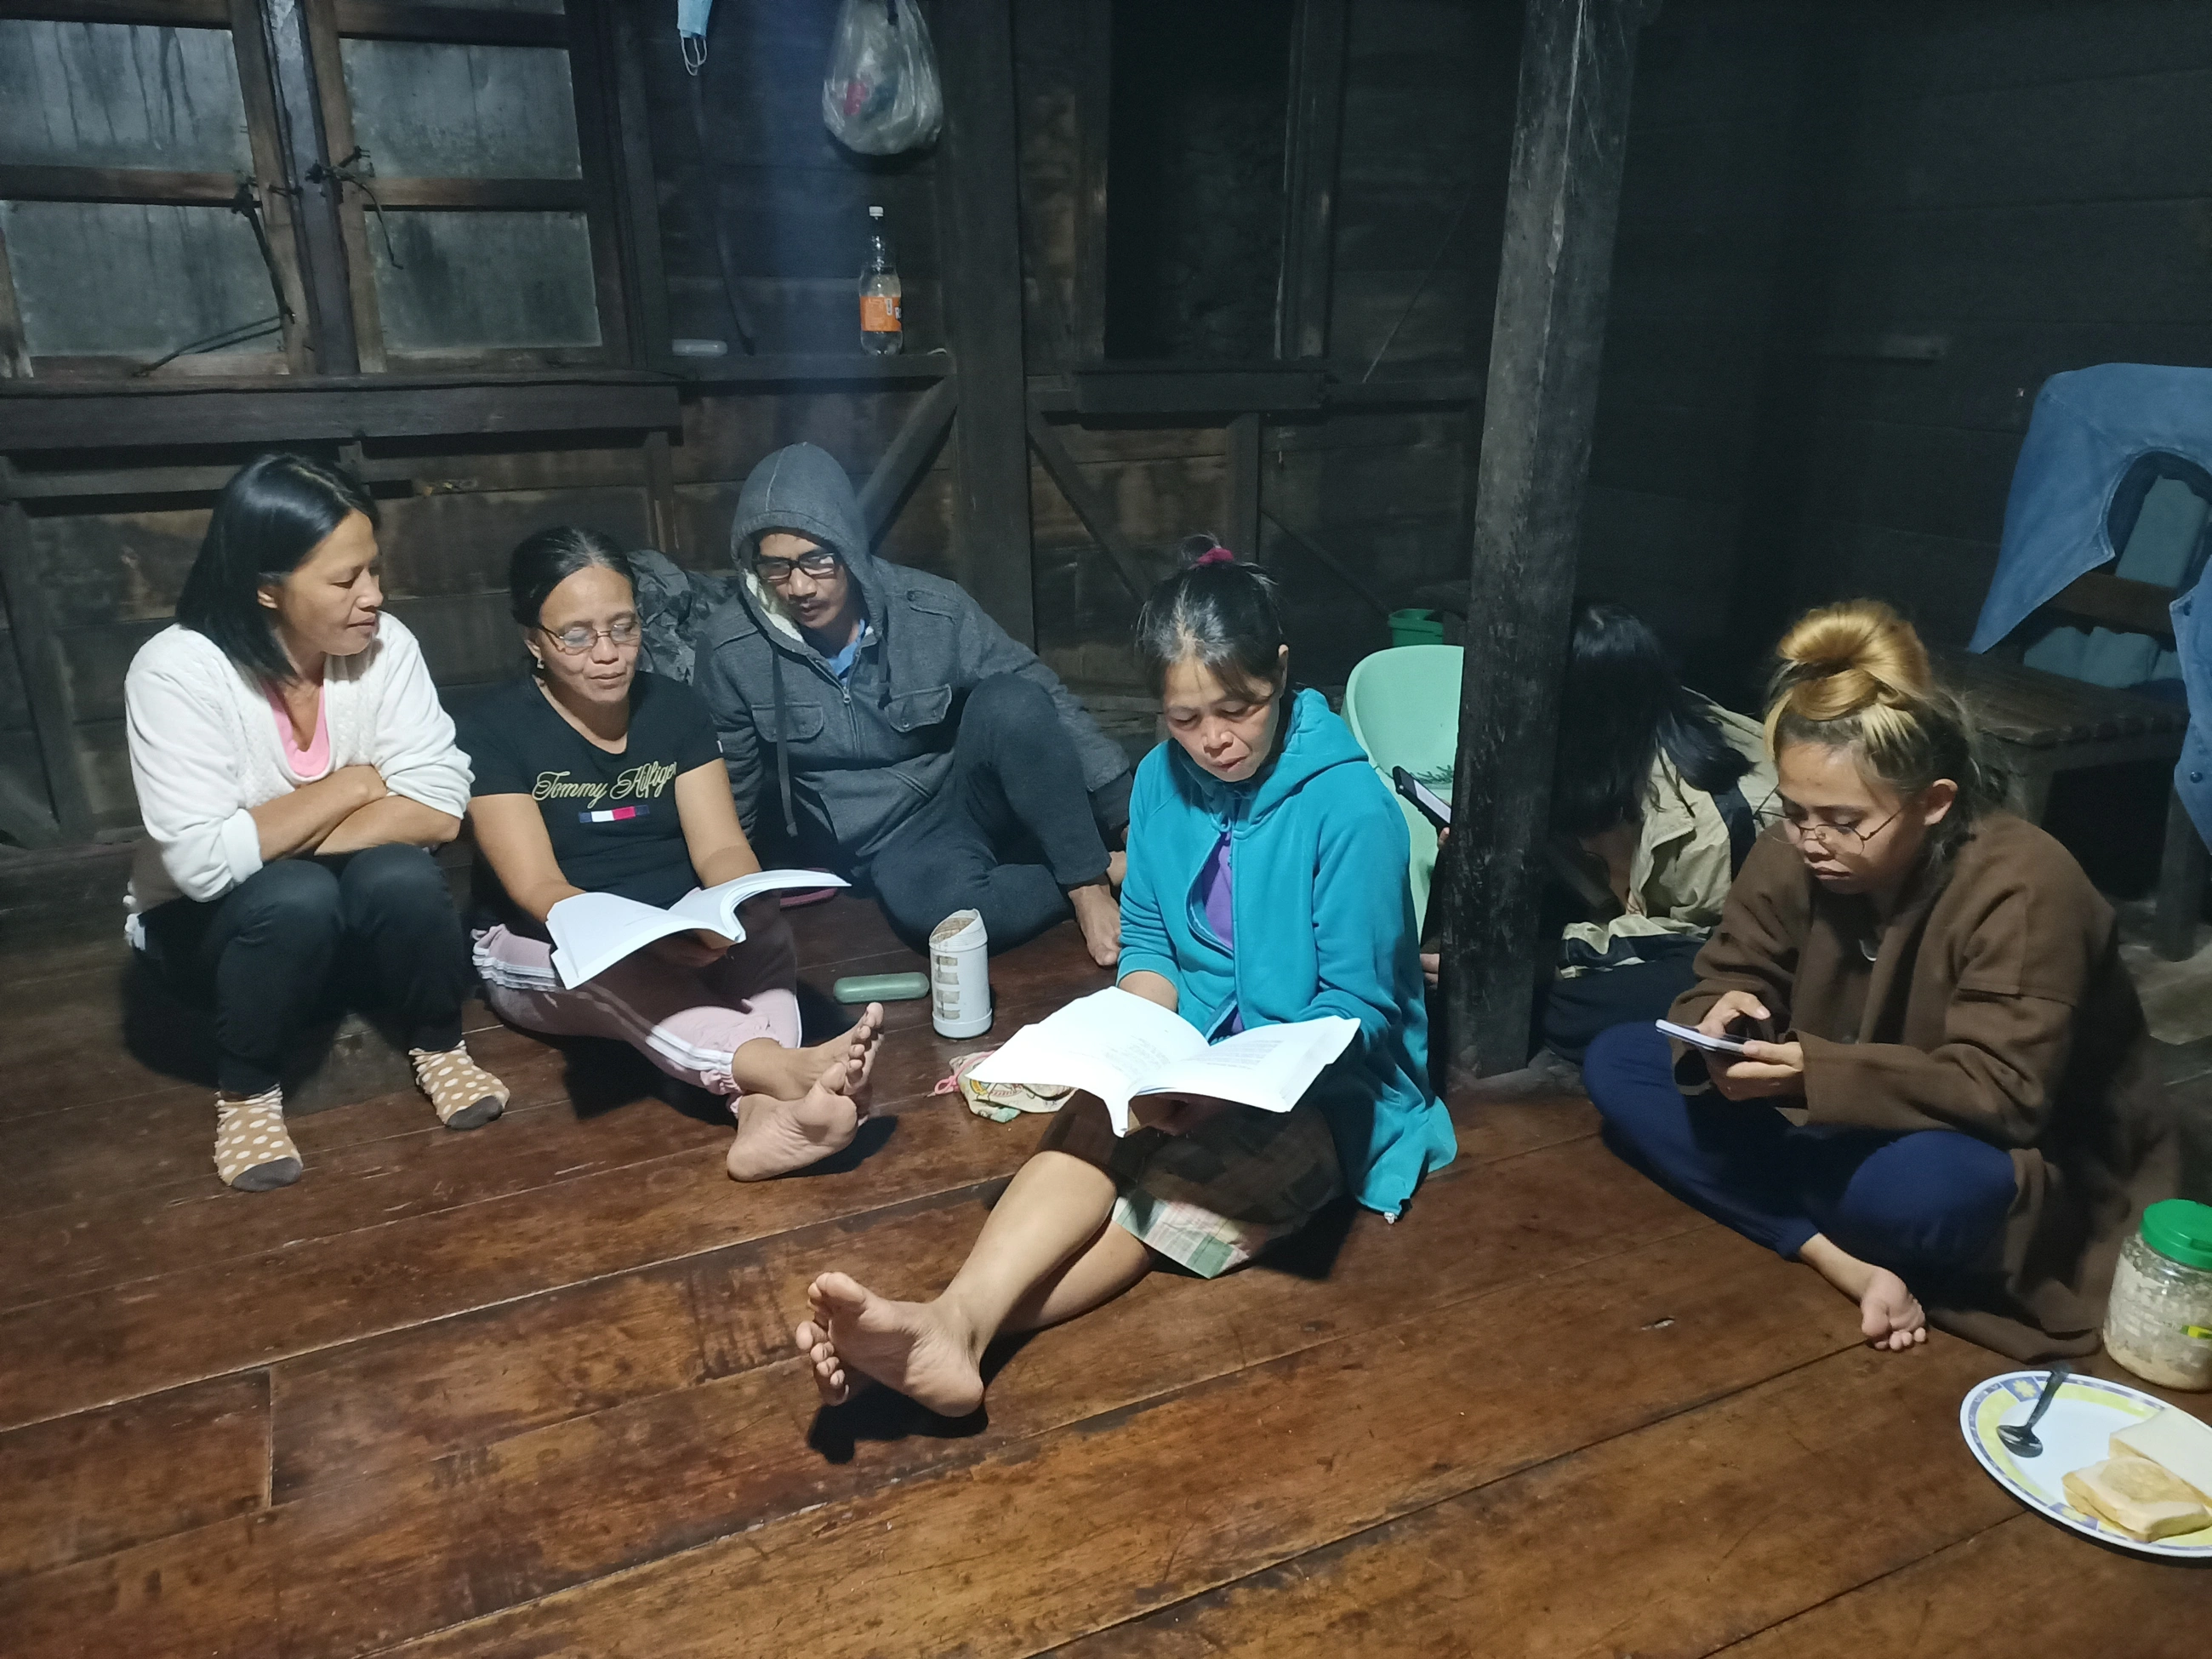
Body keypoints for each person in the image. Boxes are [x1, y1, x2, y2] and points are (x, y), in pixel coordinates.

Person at [791, 546, 1458, 1415]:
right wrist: (1132, 1054)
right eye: (1185, 718)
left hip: (1325, 1085)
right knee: (1096, 1122)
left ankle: (956, 1331)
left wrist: (1221, 1090)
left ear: (1281, 671)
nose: (1214, 740)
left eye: (1239, 709)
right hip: (1198, 1050)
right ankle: (948, 1324)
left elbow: (1358, 1011)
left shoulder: (1350, 808)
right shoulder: (1158, 784)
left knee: (1170, 1197)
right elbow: (1149, 942)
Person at [1580, 600, 2177, 1359]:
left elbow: (2005, 1094)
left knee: (1919, 1194)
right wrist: (1719, 1019)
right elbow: (1725, 972)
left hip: (1993, 1150)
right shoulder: (1792, 850)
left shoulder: (2026, 886)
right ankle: (1835, 1253)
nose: (1812, 840)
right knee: (1621, 1060)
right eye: (1795, 811)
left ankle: (1786, 1200)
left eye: (1844, 820)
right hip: (1835, 1121)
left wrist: (1813, 1075)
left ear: (1933, 803)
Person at [124, 453, 508, 1192]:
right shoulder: (178, 672)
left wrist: (259, 834)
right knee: (296, 895)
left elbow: (438, 807)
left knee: (401, 874)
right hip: (202, 930)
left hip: (337, 916)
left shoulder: (386, 647)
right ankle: (247, 1092)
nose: (374, 596)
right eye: (345, 580)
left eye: (374, 569)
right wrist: (354, 784)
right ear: (266, 587)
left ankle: (439, 1045)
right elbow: (199, 866)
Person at [457, 529, 883, 1181]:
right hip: (544, 943)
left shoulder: (674, 708)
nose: (607, 654)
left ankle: (760, 1116)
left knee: (763, 915)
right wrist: (644, 941)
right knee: (611, 967)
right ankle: (781, 1068)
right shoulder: (494, 730)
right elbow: (538, 887)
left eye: (622, 628)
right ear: (533, 640)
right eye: (576, 636)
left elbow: (722, 847)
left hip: (674, 919)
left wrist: (726, 916)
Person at [693, 442, 1134, 966]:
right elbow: (729, 782)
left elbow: (1043, 697)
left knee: (1014, 701)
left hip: (969, 789)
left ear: (848, 548)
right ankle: (1100, 867)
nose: (800, 586)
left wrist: (1126, 816)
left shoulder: (932, 610)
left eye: (817, 560)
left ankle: (1087, 885)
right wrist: (723, 900)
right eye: (777, 567)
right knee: (953, 921)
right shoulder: (731, 648)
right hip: (895, 841)